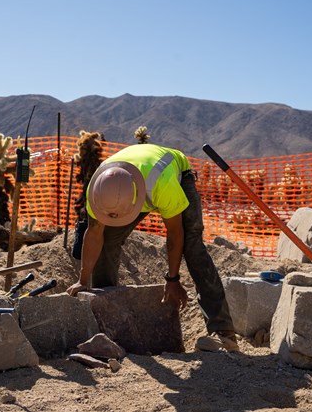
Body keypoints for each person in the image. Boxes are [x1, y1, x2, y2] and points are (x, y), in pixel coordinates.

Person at [66, 143, 238, 352]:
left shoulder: (162, 185)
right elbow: (94, 234)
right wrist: (82, 280)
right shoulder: (99, 189)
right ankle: (107, 326)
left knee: (193, 247)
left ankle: (223, 334)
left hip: (175, 176)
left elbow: (175, 234)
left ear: (136, 199)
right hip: (130, 181)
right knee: (107, 240)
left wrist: (172, 279)